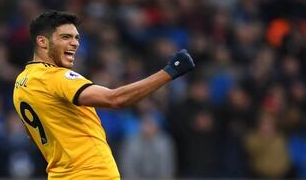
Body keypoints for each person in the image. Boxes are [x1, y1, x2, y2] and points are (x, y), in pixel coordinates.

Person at [12, 10, 195, 180]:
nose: (75, 43)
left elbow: (34, 134)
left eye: (76, 37)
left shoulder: (21, 84)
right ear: (42, 41)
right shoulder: (55, 77)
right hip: (92, 173)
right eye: (65, 37)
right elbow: (114, 99)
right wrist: (170, 72)